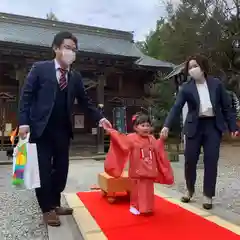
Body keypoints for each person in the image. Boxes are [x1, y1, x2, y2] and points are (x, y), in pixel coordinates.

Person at [18, 31, 112, 226]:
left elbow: (86, 103)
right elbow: (26, 96)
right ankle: (46, 209)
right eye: (67, 48)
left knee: (61, 170)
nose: (71, 52)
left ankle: (55, 202)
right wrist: (24, 122)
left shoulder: (75, 77)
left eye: (74, 50)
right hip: (40, 129)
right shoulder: (40, 69)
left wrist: (100, 119)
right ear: (56, 48)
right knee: (42, 171)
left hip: (62, 130)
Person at [160, 55, 238, 210]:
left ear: (202, 67)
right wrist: (167, 125)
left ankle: (208, 195)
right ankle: (190, 190)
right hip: (194, 127)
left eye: (195, 66)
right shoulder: (186, 88)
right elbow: (176, 108)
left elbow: (227, 107)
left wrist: (233, 127)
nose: (192, 69)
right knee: (190, 161)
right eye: (189, 67)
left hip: (212, 126)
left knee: (211, 161)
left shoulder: (216, 84)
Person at [104, 113, 174, 215]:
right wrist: (111, 132)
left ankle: (147, 208)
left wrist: (162, 139)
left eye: (148, 125)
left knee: (148, 190)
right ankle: (135, 206)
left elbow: (158, 148)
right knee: (137, 190)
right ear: (136, 127)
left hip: (149, 169)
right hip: (137, 170)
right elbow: (121, 140)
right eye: (143, 125)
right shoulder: (132, 138)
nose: (146, 128)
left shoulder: (152, 139)